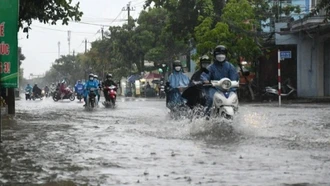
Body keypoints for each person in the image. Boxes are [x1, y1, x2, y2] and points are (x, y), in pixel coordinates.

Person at [201, 45, 239, 115]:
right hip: (215, 89)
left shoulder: (230, 66)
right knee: (210, 99)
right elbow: (204, 76)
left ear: (226, 55)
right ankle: (207, 116)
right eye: (218, 54)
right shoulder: (211, 67)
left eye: (222, 54)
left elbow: (235, 77)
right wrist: (205, 80)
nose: (220, 56)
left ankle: (236, 114)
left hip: (229, 89)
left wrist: (235, 84)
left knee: (235, 99)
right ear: (215, 55)